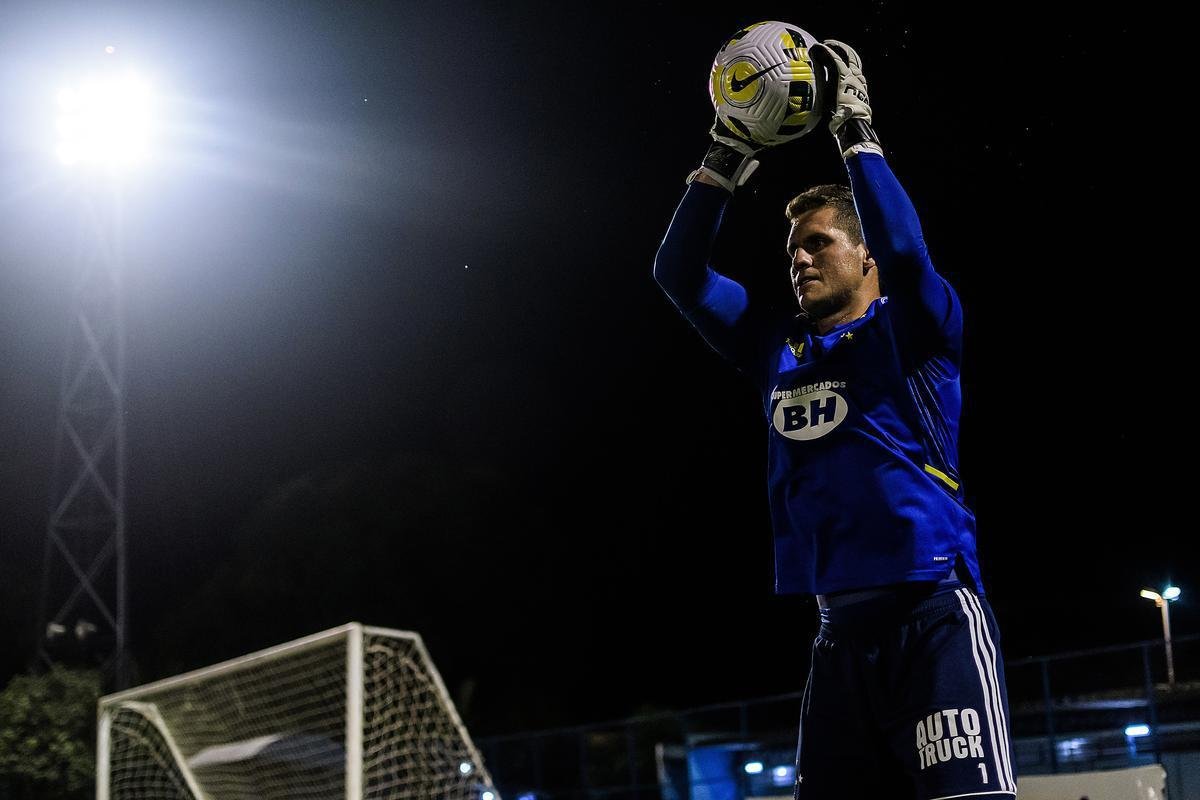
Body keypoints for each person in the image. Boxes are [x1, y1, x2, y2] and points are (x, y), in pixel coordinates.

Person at [653, 39, 1016, 799]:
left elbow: (908, 256)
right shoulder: (773, 346)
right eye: (793, 251)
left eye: (819, 244)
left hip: (934, 617)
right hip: (838, 637)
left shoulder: (915, 330)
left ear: (865, 255)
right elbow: (677, 274)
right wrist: (724, 156)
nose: (800, 260)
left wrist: (856, 132)